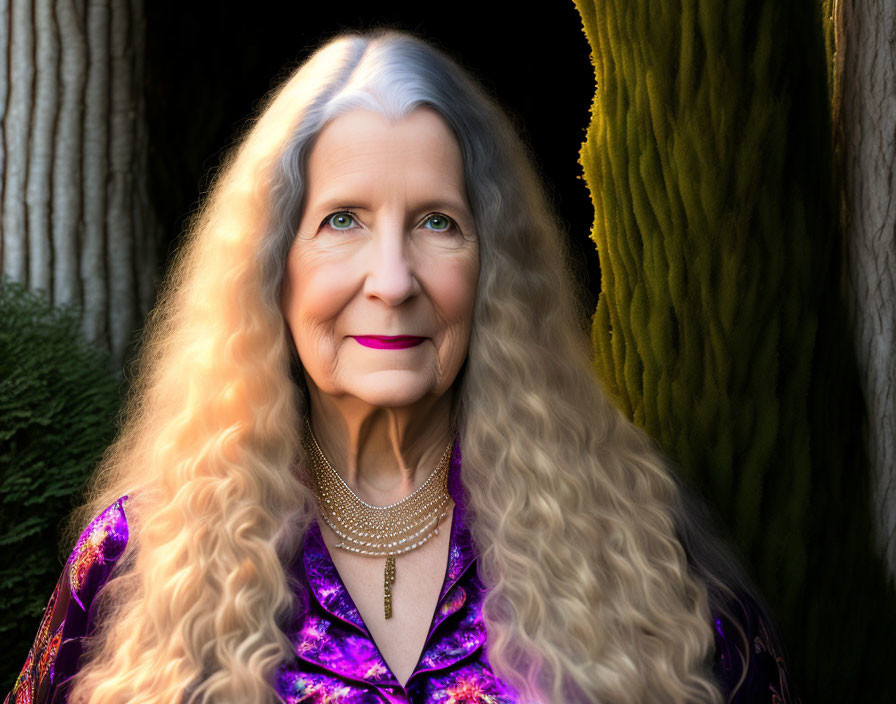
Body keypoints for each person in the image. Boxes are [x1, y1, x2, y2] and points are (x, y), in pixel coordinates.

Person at [5, 29, 798, 704]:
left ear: (496, 270)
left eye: (436, 223)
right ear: (270, 266)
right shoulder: (140, 558)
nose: (392, 279)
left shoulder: (638, 553)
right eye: (343, 220)